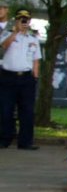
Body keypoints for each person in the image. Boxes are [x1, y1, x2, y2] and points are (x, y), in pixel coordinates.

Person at [0, 9, 41, 149]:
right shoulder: (7, 34)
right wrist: (15, 32)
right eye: (21, 19)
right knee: (6, 110)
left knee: (27, 111)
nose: (24, 22)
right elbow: (4, 46)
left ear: (29, 22)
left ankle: (25, 142)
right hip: (8, 77)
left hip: (26, 79)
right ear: (16, 20)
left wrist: (35, 77)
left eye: (26, 20)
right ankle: (4, 139)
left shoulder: (33, 39)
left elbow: (36, 60)